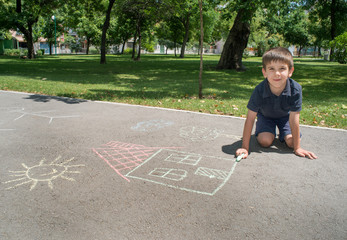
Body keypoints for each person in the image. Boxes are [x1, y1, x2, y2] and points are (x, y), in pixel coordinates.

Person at [236, 47, 317, 160]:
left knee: (292, 143)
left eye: (282, 68)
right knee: (265, 141)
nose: (277, 73)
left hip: (286, 118)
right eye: (271, 69)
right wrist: (245, 147)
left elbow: (294, 119)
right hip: (265, 117)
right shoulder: (259, 90)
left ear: (290, 71)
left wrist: (297, 148)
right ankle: (267, 131)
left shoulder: (296, 89)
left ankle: (285, 134)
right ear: (264, 72)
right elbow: (250, 118)